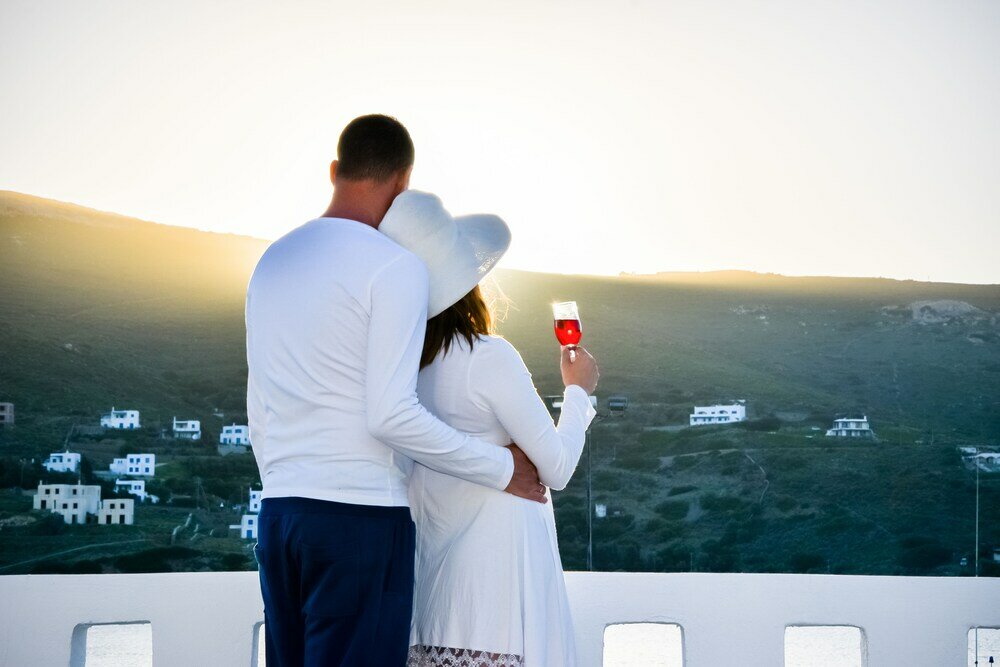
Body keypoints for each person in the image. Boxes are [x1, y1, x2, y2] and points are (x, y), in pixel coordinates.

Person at [245, 115, 546, 667]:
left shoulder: (271, 261)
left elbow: (258, 413)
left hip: (281, 514)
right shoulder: (394, 267)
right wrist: (501, 468)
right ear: (403, 184)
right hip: (358, 522)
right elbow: (390, 415)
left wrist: (290, 488)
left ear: (335, 170)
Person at [379, 191, 600, 667]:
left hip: (438, 582)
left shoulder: (402, 367)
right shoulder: (489, 357)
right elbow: (556, 469)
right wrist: (578, 394)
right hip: (500, 582)